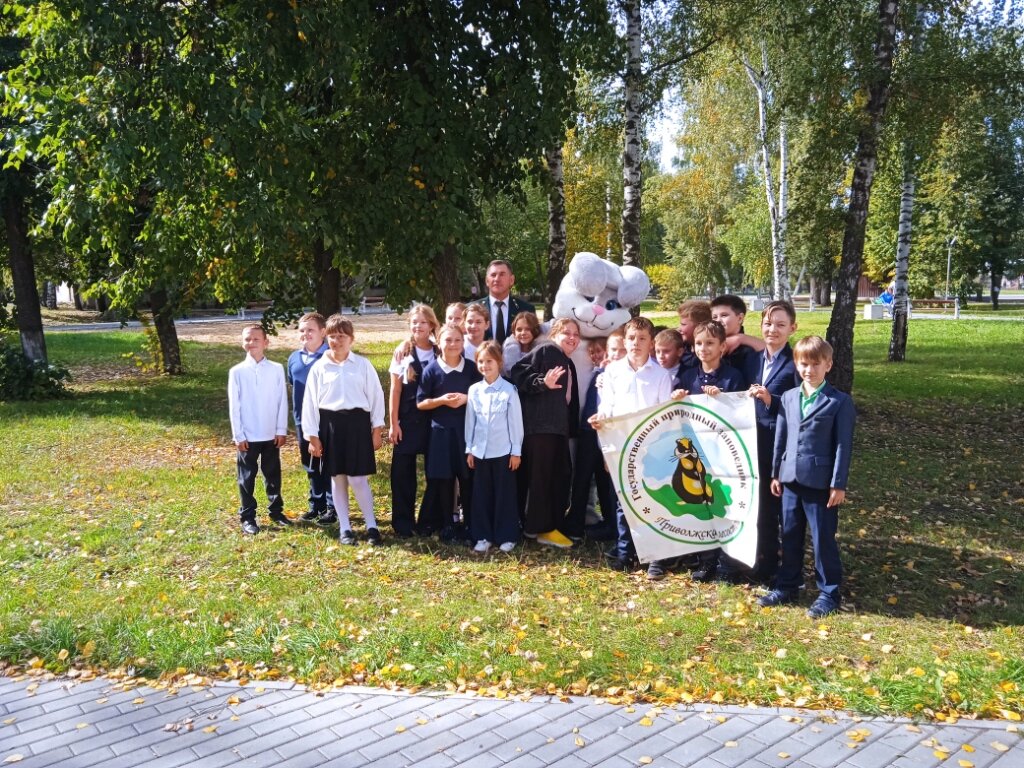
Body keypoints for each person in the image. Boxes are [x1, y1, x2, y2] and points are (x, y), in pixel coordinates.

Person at [758, 336, 855, 619]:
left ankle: (829, 592)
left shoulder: (839, 402)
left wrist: (838, 484)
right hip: (790, 478)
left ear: (828, 365)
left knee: (823, 538)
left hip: (821, 483)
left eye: (815, 364)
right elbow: (781, 436)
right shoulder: (789, 397)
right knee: (789, 535)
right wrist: (777, 473)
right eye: (803, 364)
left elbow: (843, 445)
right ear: (797, 364)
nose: (809, 370)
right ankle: (787, 585)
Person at [590, 317, 672, 572]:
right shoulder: (612, 372)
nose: (636, 343)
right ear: (624, 341)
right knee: (623, 501)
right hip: (622, 446)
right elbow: (607, 407)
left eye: (642, 338)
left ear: (651, 343)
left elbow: (664, 414)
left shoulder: (661, 375)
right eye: (632, 338)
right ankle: (627, 552)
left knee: (653, 500)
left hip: (651, 449)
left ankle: (655, 555)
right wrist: (601, 419)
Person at [671, 320, 747, 581]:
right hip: (697, 454)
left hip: (725, 455)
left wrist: (722, 399)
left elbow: (741, 413)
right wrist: (677, 398)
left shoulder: (733, 377)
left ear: (723, 347)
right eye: (699, 343)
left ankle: (728, 564)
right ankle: (706, 560)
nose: (704, 348)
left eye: (710, 343)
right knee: (703, 506)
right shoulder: (688, 377)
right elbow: (677, 414)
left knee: (724, 505)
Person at [303, 315, 386, 546]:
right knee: (338, 478)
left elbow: (376, 396)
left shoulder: (362, 365)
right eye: (332, 336)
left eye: (341, 336)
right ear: (326, 338)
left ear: (351, 339)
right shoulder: (319, 368)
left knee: (358, 479)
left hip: (358, 425)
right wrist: (312, 436)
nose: (337, 341)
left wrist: (377, 429)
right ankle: (345, 528)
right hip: (331, 426)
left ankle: (371, 526)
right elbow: (309, 403)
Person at [510, 317, 581, 549]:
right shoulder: (548, 350)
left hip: (556, 430)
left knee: (557, 477)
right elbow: (517, 371)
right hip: (540, 429)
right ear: (554, 334)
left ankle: (547, 526)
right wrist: (542, 382)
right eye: (566, 333)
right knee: (544, 479)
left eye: (576, 334)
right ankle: (539, 528)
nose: (572, 338)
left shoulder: (567, 362)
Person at [745, 300, 801, 586]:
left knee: (777, 508)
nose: (773, 330)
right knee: (758, 505)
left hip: (779, 446)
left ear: (793, 328)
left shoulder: (795, 364)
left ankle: (784, 567)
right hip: (749, 443)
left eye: (780, 325)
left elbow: (800, 405)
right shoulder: (751, 360)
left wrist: (771, 400)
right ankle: (762, 561)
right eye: (768, 323)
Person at [417, 323, 481, 541]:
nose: (453, 344)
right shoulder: (431, 370)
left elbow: (483, 395)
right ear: (439, 342)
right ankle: (448, 525)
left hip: (466, 432)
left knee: (467, 478)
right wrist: (441, 401)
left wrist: (466, 399)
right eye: (448, 340)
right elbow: (421, 403)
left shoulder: (472, 368)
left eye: (457, 340)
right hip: (441, 433)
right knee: (444, 479)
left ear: (463, 342)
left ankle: (470, 524)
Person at [228, 324, 290, 535]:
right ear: (242, 343)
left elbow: (282, 401)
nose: (251, 342)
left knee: (272, 474)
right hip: (248, 435)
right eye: (247, 339)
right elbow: (234, 406)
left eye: (256, 339)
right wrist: (238, 434)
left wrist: (281, 429)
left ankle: (276, 512)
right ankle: (248, 516)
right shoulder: (237, 372)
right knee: (246, 477)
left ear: (266, 342)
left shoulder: (276, 369)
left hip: (271, 433)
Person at [465, 341, 524, 554]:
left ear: (499, 362)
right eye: (481, 361)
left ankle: (506, 535)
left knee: (504, 495)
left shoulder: (509, 390)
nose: (485, 365)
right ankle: (483, 536)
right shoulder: (474, 391)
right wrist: (469, 448)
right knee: (481, 495)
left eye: (489, 361)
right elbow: (470, 422)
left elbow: (516, 423)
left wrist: (516, 451)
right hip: (480, 452)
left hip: (503, 452)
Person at [388, 304, 440, 538]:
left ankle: (429, 521)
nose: (418, 326)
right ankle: (403, 522)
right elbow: (395, 390)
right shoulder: (403, 352)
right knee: (402, 474)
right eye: (414, 322)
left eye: (423, 322)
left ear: (431, 325)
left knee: (436, 473)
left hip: (435, 420)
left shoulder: (441, 350)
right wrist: (394, 423)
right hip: (407, 420)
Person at [286, 312, 336, 526]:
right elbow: (294, 384)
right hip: (303, 421)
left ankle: (333, 506)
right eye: (302, 330)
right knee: (311, 464)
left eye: (310, 330)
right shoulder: (293, 359)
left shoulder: (332, 357)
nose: (305, 334)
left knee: (330, 463)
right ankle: (317, 504)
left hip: (328, 420)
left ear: (323, 332)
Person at [472, 259, 536, 343]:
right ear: (487, 281)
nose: (497, 279)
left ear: (511, 280)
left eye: (502, 274)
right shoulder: (472, 309)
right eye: (493, 275)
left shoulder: (526, 309)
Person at [710, 294, 763, 377]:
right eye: (714, 317)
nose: (718, 320)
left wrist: (741, 338)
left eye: (724, 315)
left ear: (740, 318)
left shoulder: (749, 352)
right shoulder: (707, 345)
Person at [502, 311, 541, 375]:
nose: (523, 333)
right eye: (519, 330)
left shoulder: (541, 349)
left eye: (528, 329)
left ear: (535, 330)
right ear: (514, 332)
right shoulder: (510, 349)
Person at [677, 299, 712, 373]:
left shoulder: (708, 354)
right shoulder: (682, 347)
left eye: (683, 324)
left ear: (699, 326)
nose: (679, 329)